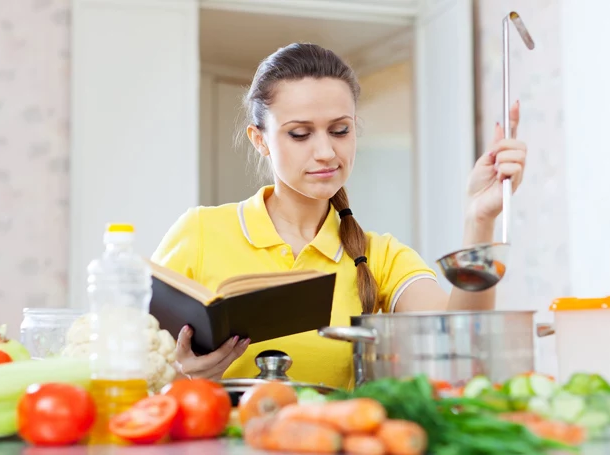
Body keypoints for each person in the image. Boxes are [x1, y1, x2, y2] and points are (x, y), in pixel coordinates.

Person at [151, 43, 527, 390]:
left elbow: (461, 343)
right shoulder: (199, 232)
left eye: (340, 130)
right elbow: (127, 363)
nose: (326, 152)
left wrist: (479, 220)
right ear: (260, 140)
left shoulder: (380, 255)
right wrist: (179, 373)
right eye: (300, 134)